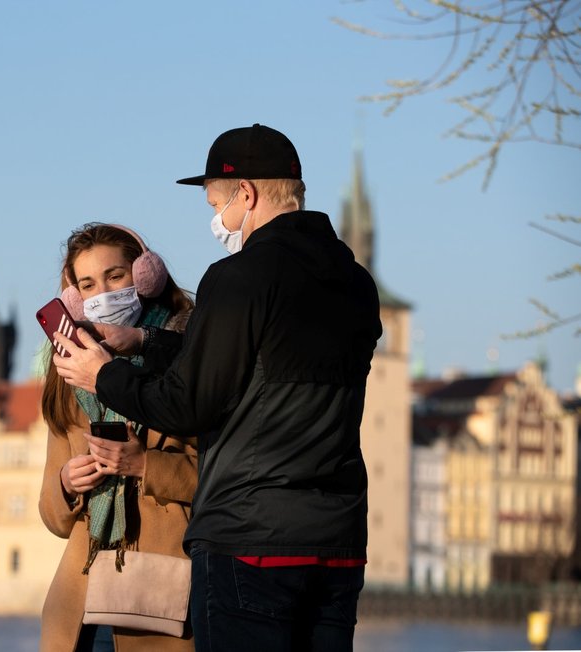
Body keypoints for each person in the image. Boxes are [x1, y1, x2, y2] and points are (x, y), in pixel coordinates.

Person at [53, 125, 383, 652]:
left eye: (215, 203)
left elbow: (187, 403)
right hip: (336, 540)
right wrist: (144, 339)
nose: (216, 219)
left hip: (250, 540)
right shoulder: (354, 282)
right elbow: (257, 367)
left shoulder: (240, 275)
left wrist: (102, 376)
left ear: (245, 195)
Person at [38, 223, 197, 652]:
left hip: (158, 599)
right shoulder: (68, 373)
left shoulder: (188, 353)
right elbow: (52, 516)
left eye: (115, 276)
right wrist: (68, 484)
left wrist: (143, 464)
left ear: (145, 276)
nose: (103, 293)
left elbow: (221, 476)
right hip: (79, 604)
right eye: (87, 284)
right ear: (74, 298)